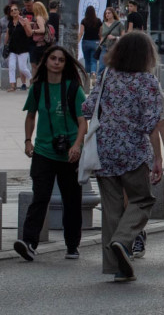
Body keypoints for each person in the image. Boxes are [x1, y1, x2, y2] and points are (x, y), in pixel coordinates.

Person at [81, 32, 164, 282]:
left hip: (104, 149)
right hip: (133, 150)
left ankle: (116, 266)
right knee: (142, 199)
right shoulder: (147, 81)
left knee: (111, 209)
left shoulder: (107, 75)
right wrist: (158, 158)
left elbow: (87, 108)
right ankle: (123, 240)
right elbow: (153, 122)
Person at [14, 46, 87, 261]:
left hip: (70, 153)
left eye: (61, 60)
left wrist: (76, 145)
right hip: (44, 151)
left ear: (65, 64)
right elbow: (30, 116)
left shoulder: (74, 88)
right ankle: (28, 243)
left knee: (72, 200)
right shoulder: (37, 89)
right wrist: (28, 141)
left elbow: (83, 122)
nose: (56, 62)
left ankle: (72, 245)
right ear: (46, 62)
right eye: (53, 59)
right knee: (40, 197)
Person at [5, 3, 33, 92]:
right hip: (13, 48)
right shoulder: (10, 22)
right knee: (12, 66)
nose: (14, 11)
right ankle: (13, 86)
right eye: (12, 10)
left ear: (19, 11)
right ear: (10, 13)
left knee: (22, 67)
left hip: (23, 48)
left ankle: (33, 80)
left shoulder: (24, 20)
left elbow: (29, 34)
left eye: (15, 9)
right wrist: (5, 45)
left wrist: (24, 25)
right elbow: (7, 34)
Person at [98, 7, 125, 73]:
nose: (107, 14)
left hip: (114, 47)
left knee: (114, 66)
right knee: (102, 66)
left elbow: (123, 37)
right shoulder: (103, 25)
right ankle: (100, 81)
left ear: (113, 14)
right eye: (106, 13)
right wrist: (100, 44)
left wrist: (115, 37)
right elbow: (102, 36)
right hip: (104, 47)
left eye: (109, 13)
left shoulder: (119, 24)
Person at [78, 6, 101, 77]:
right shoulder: (98, 21)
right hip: (95, 42)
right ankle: (93, 73)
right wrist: (100, 41)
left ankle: (87, 75)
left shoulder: (84, 21)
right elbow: (100, 33)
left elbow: (81, 33)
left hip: (86, 42)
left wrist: (77, 41)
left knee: (87, 60)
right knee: (93, 60)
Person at [29, 2, 51, 75]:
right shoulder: (42, 17)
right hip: (42, 44)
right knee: (39, 64)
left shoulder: (38, 18)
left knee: (35, 64)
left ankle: (36, 80)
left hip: (39, 44)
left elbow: (42, 30)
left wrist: (33, 31)